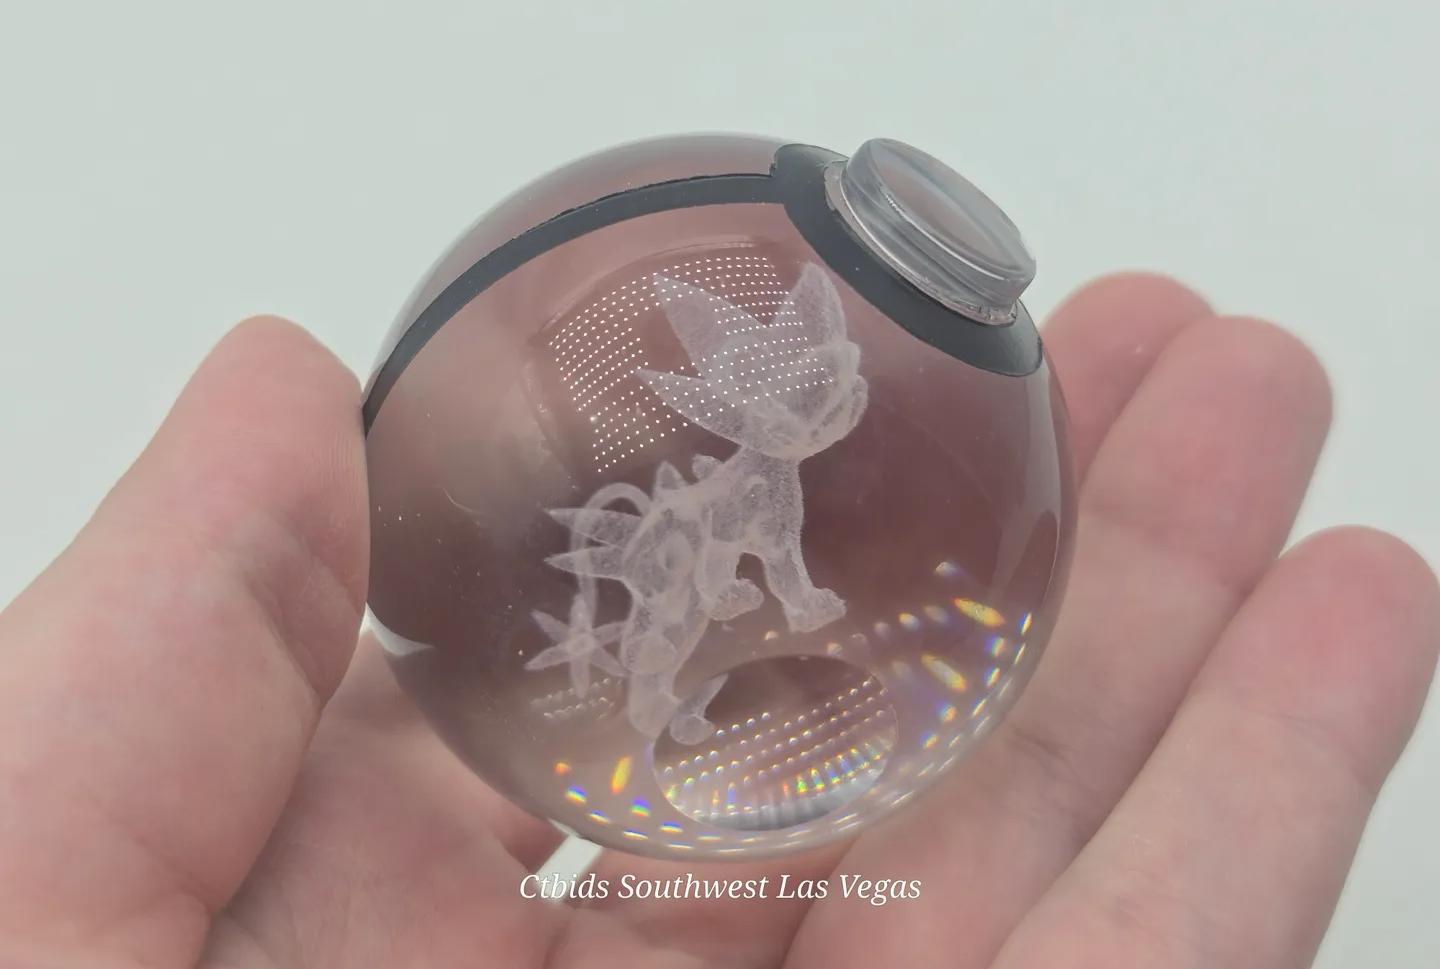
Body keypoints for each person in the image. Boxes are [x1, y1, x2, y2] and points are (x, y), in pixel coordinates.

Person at [0, 273, 1435, 969]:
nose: (834, 407)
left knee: (693, 629)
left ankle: (666, 696)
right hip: (662, 591)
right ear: (722, 408)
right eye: (807, 396)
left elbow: (786, 551)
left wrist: (799, 602)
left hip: (709, 636)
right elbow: (769, 546)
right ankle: (659, 700)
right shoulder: (742, 486)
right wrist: (772, 604)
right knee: (668, 637)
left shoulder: (769, 480)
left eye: (835, 386)